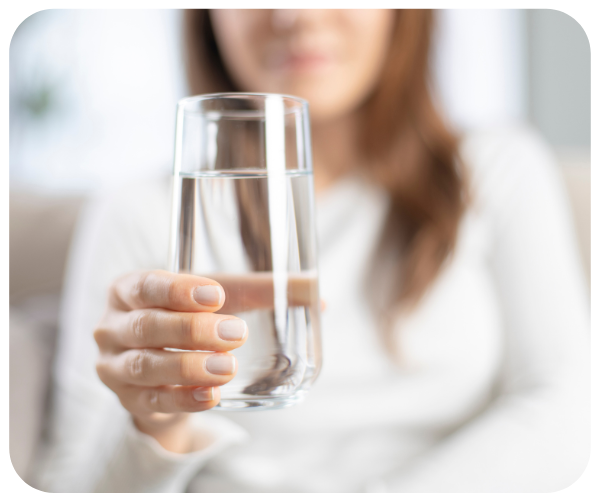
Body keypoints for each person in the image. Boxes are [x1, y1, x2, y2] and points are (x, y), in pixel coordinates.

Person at [35, 9, 590, 492]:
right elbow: (72, 487)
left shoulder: (495, 170)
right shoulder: (144, 211)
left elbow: (569, 414)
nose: (297, 15)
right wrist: (152, 425)